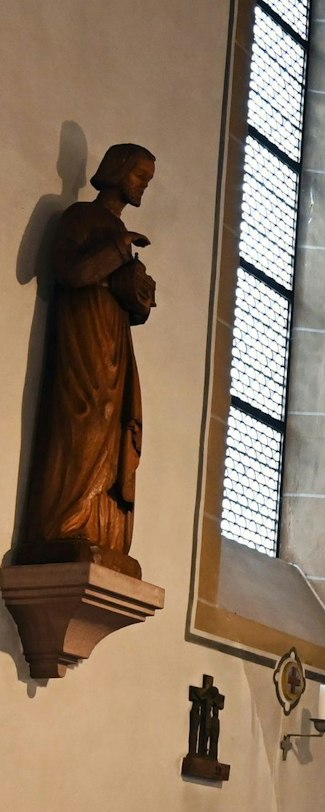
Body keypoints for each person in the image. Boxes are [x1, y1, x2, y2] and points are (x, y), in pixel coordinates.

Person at [14, 143, 156, 578]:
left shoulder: (118, 235)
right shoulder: (79, 218)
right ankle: (61, 525)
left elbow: (129, 302)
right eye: (138, 177)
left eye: (146, 181)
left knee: (113, 425)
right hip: (83, 338)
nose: (142, 187)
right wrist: (118, 249)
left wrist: (141, 291)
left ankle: (100, 531)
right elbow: (72, 273)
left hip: (113, 340)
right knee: (86, 417)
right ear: (115, 172)